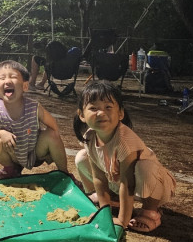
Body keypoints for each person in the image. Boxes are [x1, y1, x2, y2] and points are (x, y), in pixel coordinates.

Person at [73, 79, 176, 233]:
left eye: (108, 107)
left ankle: (151, 211)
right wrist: (105, 214)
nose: (101, 113)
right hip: (119, 182)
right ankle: (112, 200)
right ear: (81, 114)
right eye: (93, 108)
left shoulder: (124, 141)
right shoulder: (90, 137)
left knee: (144, 166)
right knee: (81, 157)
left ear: (120, 113)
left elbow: (128, 184)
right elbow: (99, 178)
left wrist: (122, 221)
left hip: (153, 187)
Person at [0, 60, 68, 179]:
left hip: (35, 152)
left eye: (13, 77)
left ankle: (65, 174)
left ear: (25, 86)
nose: (7, 81)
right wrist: (1, 133)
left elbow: (53, 125)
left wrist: (51, 150)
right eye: (2, 78)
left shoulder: (34, 107)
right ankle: (11, 169)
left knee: (52, 134)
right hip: (12, 153)